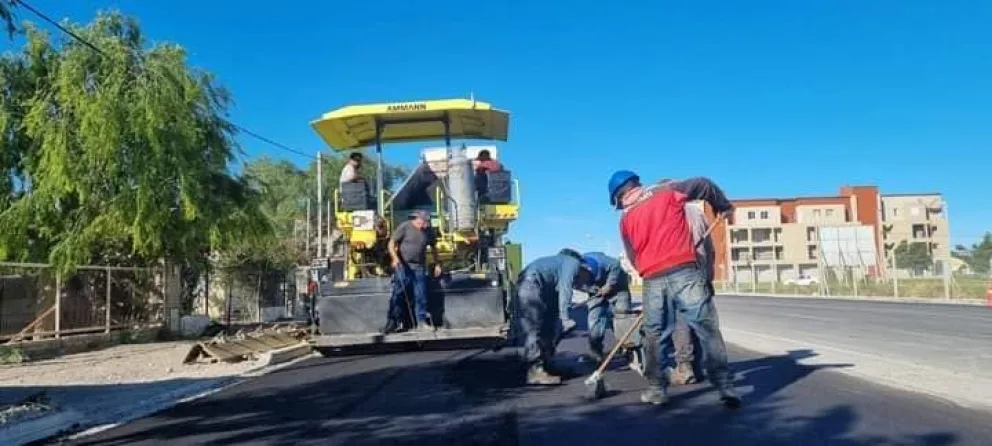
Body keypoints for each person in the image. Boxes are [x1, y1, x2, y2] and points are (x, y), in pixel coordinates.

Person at [609, 170, 741, 408]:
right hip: (684, 271)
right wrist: (722, 206)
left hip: (653, 278)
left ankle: (657, 390)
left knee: (654, 335)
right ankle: (725, 386)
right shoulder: (667, 194)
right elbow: (703, 183)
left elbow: (632, 255)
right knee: (706, 328)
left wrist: (648, 268)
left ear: (620, 196)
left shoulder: (626, 220)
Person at [659, 179, 713, 385]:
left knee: (680, 321)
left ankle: (686, 366)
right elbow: (710, 248)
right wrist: (709, 277)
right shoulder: (696, 211)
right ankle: (698, 366)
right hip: (699, 271)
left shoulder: (665, 213)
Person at [516, 251, 599, 385]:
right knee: (534, 327)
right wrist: (565, 318)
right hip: (531, 283)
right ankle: (534, 370)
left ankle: (547, 363)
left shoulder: (557, 267)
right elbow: (566, 288)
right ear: (584, 268)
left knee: (549, 325)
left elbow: (568, 288)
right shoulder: (573, 263)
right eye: (586, 277)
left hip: (538, 284)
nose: (581, 281)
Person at [382, 210, 442, 334]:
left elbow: (434, 247)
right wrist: (395, 259)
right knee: (398, 294)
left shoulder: (428, 231)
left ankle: (421, 323)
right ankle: (395, 322)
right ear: (418, 219)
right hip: (403, 266)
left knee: (421, 295)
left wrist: (437, 264)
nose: (426, 224)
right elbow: (391, 243)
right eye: (425, 222)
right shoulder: (405, 227)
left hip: (419, 266)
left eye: (428, 222)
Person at [578, 251, 634, 363]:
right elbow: (577, 285)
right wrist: (593, 290)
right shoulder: (573, 273)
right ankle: (596, 353)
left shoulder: (605, 262)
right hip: (596, 291)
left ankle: (628, 348)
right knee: (594, 320)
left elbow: (616, 265)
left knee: (622, 317)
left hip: (618, 286)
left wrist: (609, 285)